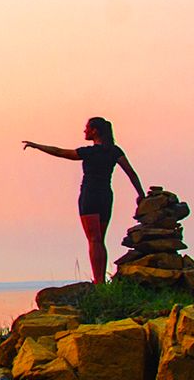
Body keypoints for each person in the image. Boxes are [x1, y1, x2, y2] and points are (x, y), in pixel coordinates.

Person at [22, 117, 143, 284]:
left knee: (93, 239)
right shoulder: (114, 151)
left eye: (87, 128)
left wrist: (37, 146)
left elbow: (61, 152)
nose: (84, 131)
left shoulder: (90, 152)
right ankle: (100, 279)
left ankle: (98, 281)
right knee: (100, 240)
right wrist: (141, 194)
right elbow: (131, 173)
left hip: (90, 196)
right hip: (106, 196)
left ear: (95, 131)